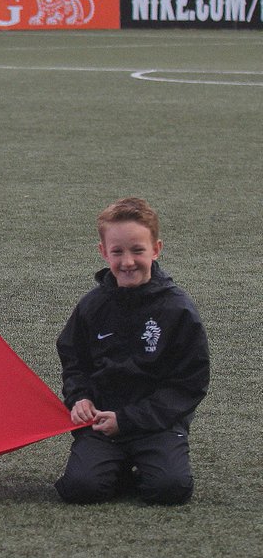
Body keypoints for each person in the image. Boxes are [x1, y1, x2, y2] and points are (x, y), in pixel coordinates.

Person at [54, 198, 209, 505]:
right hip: (100, 421)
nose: (127, 262)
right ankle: (119, 466)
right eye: (117, 252)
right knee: (79, 488)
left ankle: (144, 462)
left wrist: (127, 420)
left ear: (156, 249)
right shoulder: (92, 306)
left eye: (137, 250)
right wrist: (80, 398)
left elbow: (189, 384)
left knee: (171, 489)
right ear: (103, 252)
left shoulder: (177, 310)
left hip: (156, 424)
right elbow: (74, 363)